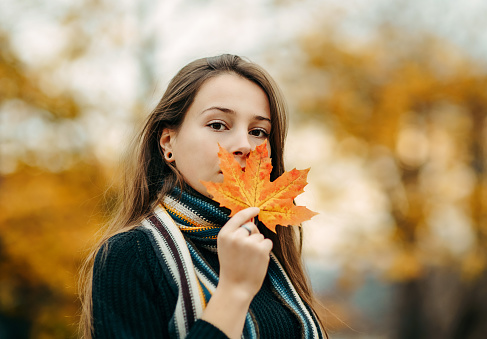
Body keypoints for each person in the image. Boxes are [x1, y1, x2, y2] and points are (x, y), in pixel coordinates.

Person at [79, 54, 326, 339]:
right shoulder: (131, 254)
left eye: (258, 131)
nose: (244, 145)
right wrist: (233, 293)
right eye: (218, 125)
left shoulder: (266, 254)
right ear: (168, 142)